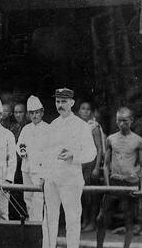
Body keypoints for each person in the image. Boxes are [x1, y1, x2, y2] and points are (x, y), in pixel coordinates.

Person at [42, 88, 96, 248]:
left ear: (71, 103)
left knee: (72, 219)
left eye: (63, 101)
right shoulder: (53, 125)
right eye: (57, 101)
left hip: (70, 179)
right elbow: (46, 152)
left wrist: (74, 155)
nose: (60, 105)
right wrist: (44, 175)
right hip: (52, 179)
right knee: (49, 218)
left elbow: (91, 152)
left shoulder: (81, 126)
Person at [96, 107, 142, 248]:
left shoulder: (138, 141)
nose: (122, 124)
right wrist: (107, 185)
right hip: (114, 182)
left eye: (125, 121)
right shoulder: (111, 139)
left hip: (130, 183)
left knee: (129, 219)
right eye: (119, 121)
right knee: (101, 219)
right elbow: (105, 165)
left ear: (131, 120)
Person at [16, 95, 50, 222]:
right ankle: (31, 222)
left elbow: (49, 151)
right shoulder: (26, 129)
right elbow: (20, 144)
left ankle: (38, 224)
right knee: (28, 197)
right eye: (32, 113)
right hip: (26, 167)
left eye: (37, 113)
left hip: (40, 169)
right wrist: (22, 151)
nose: (34, 116)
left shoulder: (47, 129)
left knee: (39, 198)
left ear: (42, 113)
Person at [77, 101, 104, 232]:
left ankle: (92, 222)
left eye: (88, 109)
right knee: (82, 195)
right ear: (79, 111)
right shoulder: (77, 126)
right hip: (80, 164)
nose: (85, 111)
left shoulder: (93, 126)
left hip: (91, 164)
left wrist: (96, 167)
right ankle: (85, 220)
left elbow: (99, 148)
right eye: (83, 109)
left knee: (91, 195)